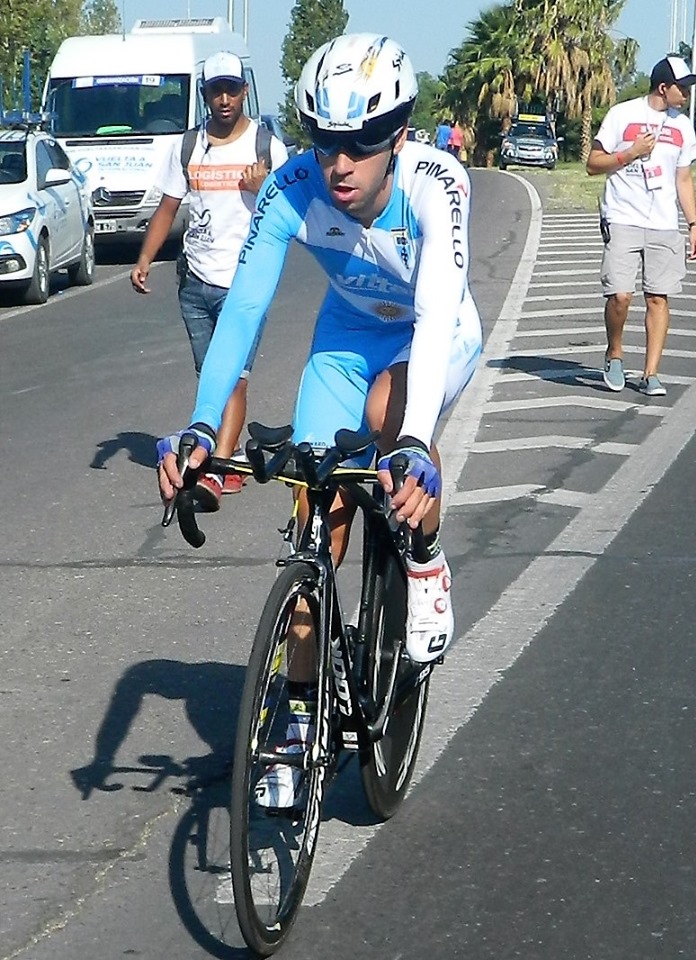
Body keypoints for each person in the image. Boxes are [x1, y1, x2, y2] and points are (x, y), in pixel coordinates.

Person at [157, 33, 483, 806]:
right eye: (326, 140)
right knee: (315, 516)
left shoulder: (437, 182)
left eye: (362, 143)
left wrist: (412, 443)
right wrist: (202, 426)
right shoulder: (292, 185)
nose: (341, 161)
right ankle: (299, 719)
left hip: (431, 332)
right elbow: (243, 310)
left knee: (388, 415)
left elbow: (437, 311)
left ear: (397, 136)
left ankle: (426, 561)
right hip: (346, 337)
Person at [131, 51, 288, 508]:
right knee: (211, 378)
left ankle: (217, 468)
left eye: (231, 90)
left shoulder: (266, 147)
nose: (224, 99)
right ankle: (228, 452)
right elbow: (168, 207)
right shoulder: (188, 146)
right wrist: (145, 258)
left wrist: (265, 188)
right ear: (204, 95)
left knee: (234, 378)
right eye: (215, 91)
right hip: (195, 283)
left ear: (244, 92)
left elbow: (296, 213)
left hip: (245, 284)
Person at [587, 54, 696, 397]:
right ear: (663, 88)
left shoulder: (683, 126)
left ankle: (650, 373)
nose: (687, 94)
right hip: (622, 216)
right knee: (620, 295)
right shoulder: (623, 114)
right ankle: (614, 353)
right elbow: (592, 164)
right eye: (682, 88)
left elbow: (683, 178)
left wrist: (693, 223)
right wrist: (630, 152)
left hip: (663, 223)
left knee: (657, 298)